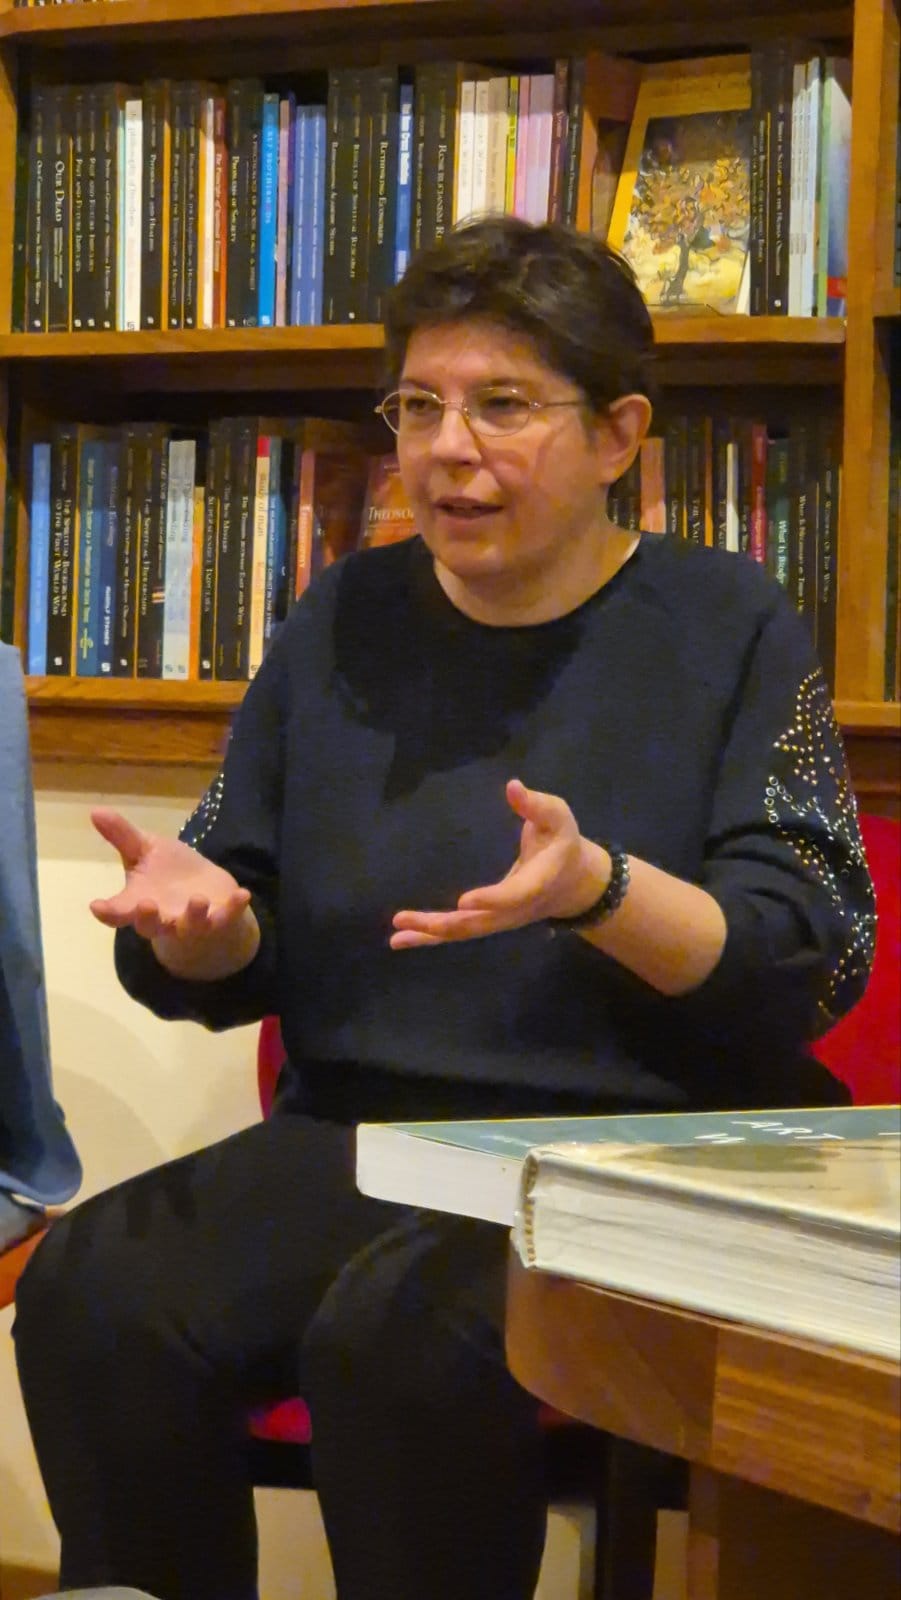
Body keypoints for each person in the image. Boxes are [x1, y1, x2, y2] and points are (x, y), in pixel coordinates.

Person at [14, 217, 874, 1600]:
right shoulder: (340, 618)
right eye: (418, 407)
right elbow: (243, 915)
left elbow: (811, 953)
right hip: (367, 1138)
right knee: (92, 1287)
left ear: (619, 435)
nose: (447, 449)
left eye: (502, 405)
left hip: (627, 1157)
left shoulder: (729, 624)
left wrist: (596, 890)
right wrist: (208, 935)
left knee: (397, 1340)